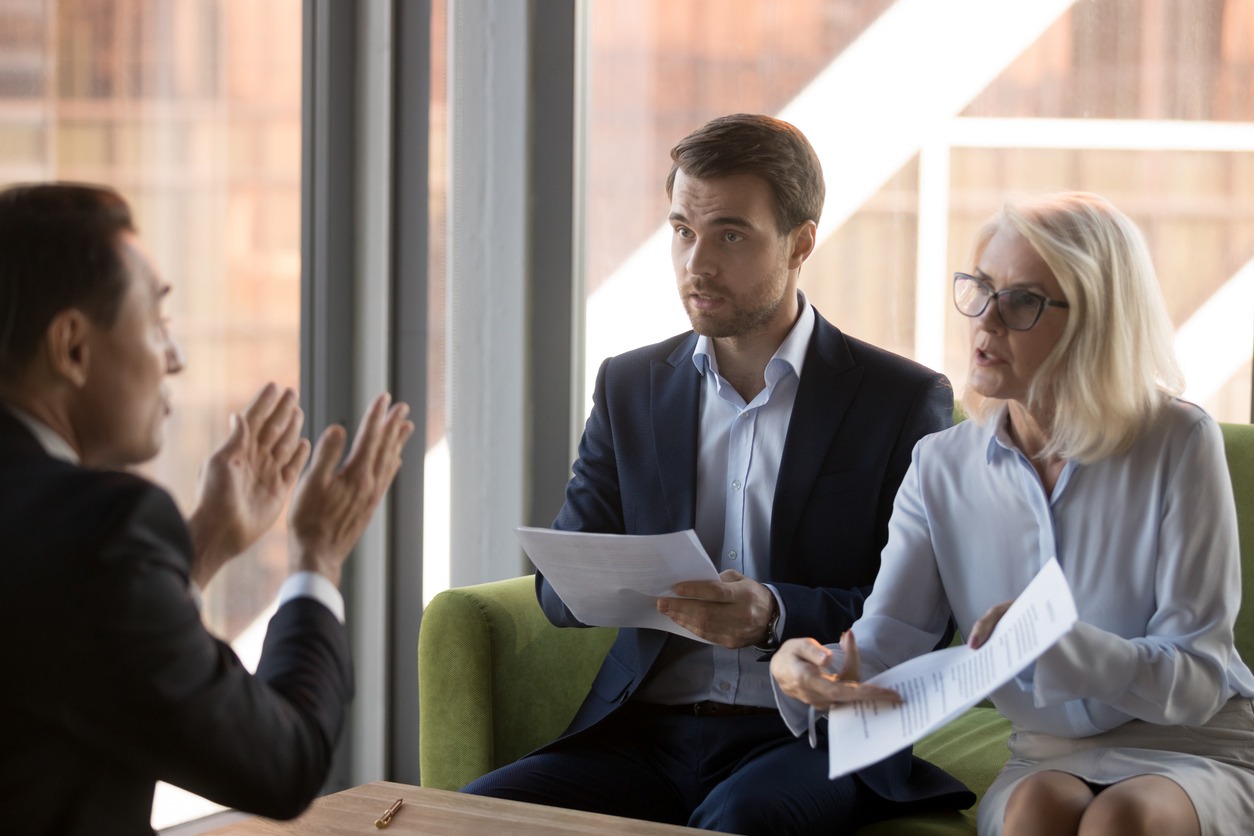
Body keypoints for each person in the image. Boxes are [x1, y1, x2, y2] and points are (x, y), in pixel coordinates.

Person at [462, 113, 972, 834]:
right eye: (682, 231)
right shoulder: (629, 386)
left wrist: (774, 612)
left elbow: (927, 617)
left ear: (801, 243)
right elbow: (558, 587)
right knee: (470, 818)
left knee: (741, 819)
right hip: (646, 731)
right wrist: (591, 582)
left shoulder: (898, 399)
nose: (696, 262)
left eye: (730, 234)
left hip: (812, 735)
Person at [770, 191, 1254, 836]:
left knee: (1127, 817)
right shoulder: (940, 464)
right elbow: (886, 644)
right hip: (1046, 754)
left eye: (1022, 300)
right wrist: (812, 667)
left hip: (1193, 744)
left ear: (1097, 319)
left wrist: (1072, 649)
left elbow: (1196, 679)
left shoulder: (1178, 442)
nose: (986, 321)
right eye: (981, 288)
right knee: (1036, 810)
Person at [0, 182, 415, 834]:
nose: (176, 359)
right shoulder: (104, 532)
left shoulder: (67, 541)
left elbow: (65, 635)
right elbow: (282, 763)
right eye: (157, 325)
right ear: (73, 347)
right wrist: (317, 558)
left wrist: (209, 541)